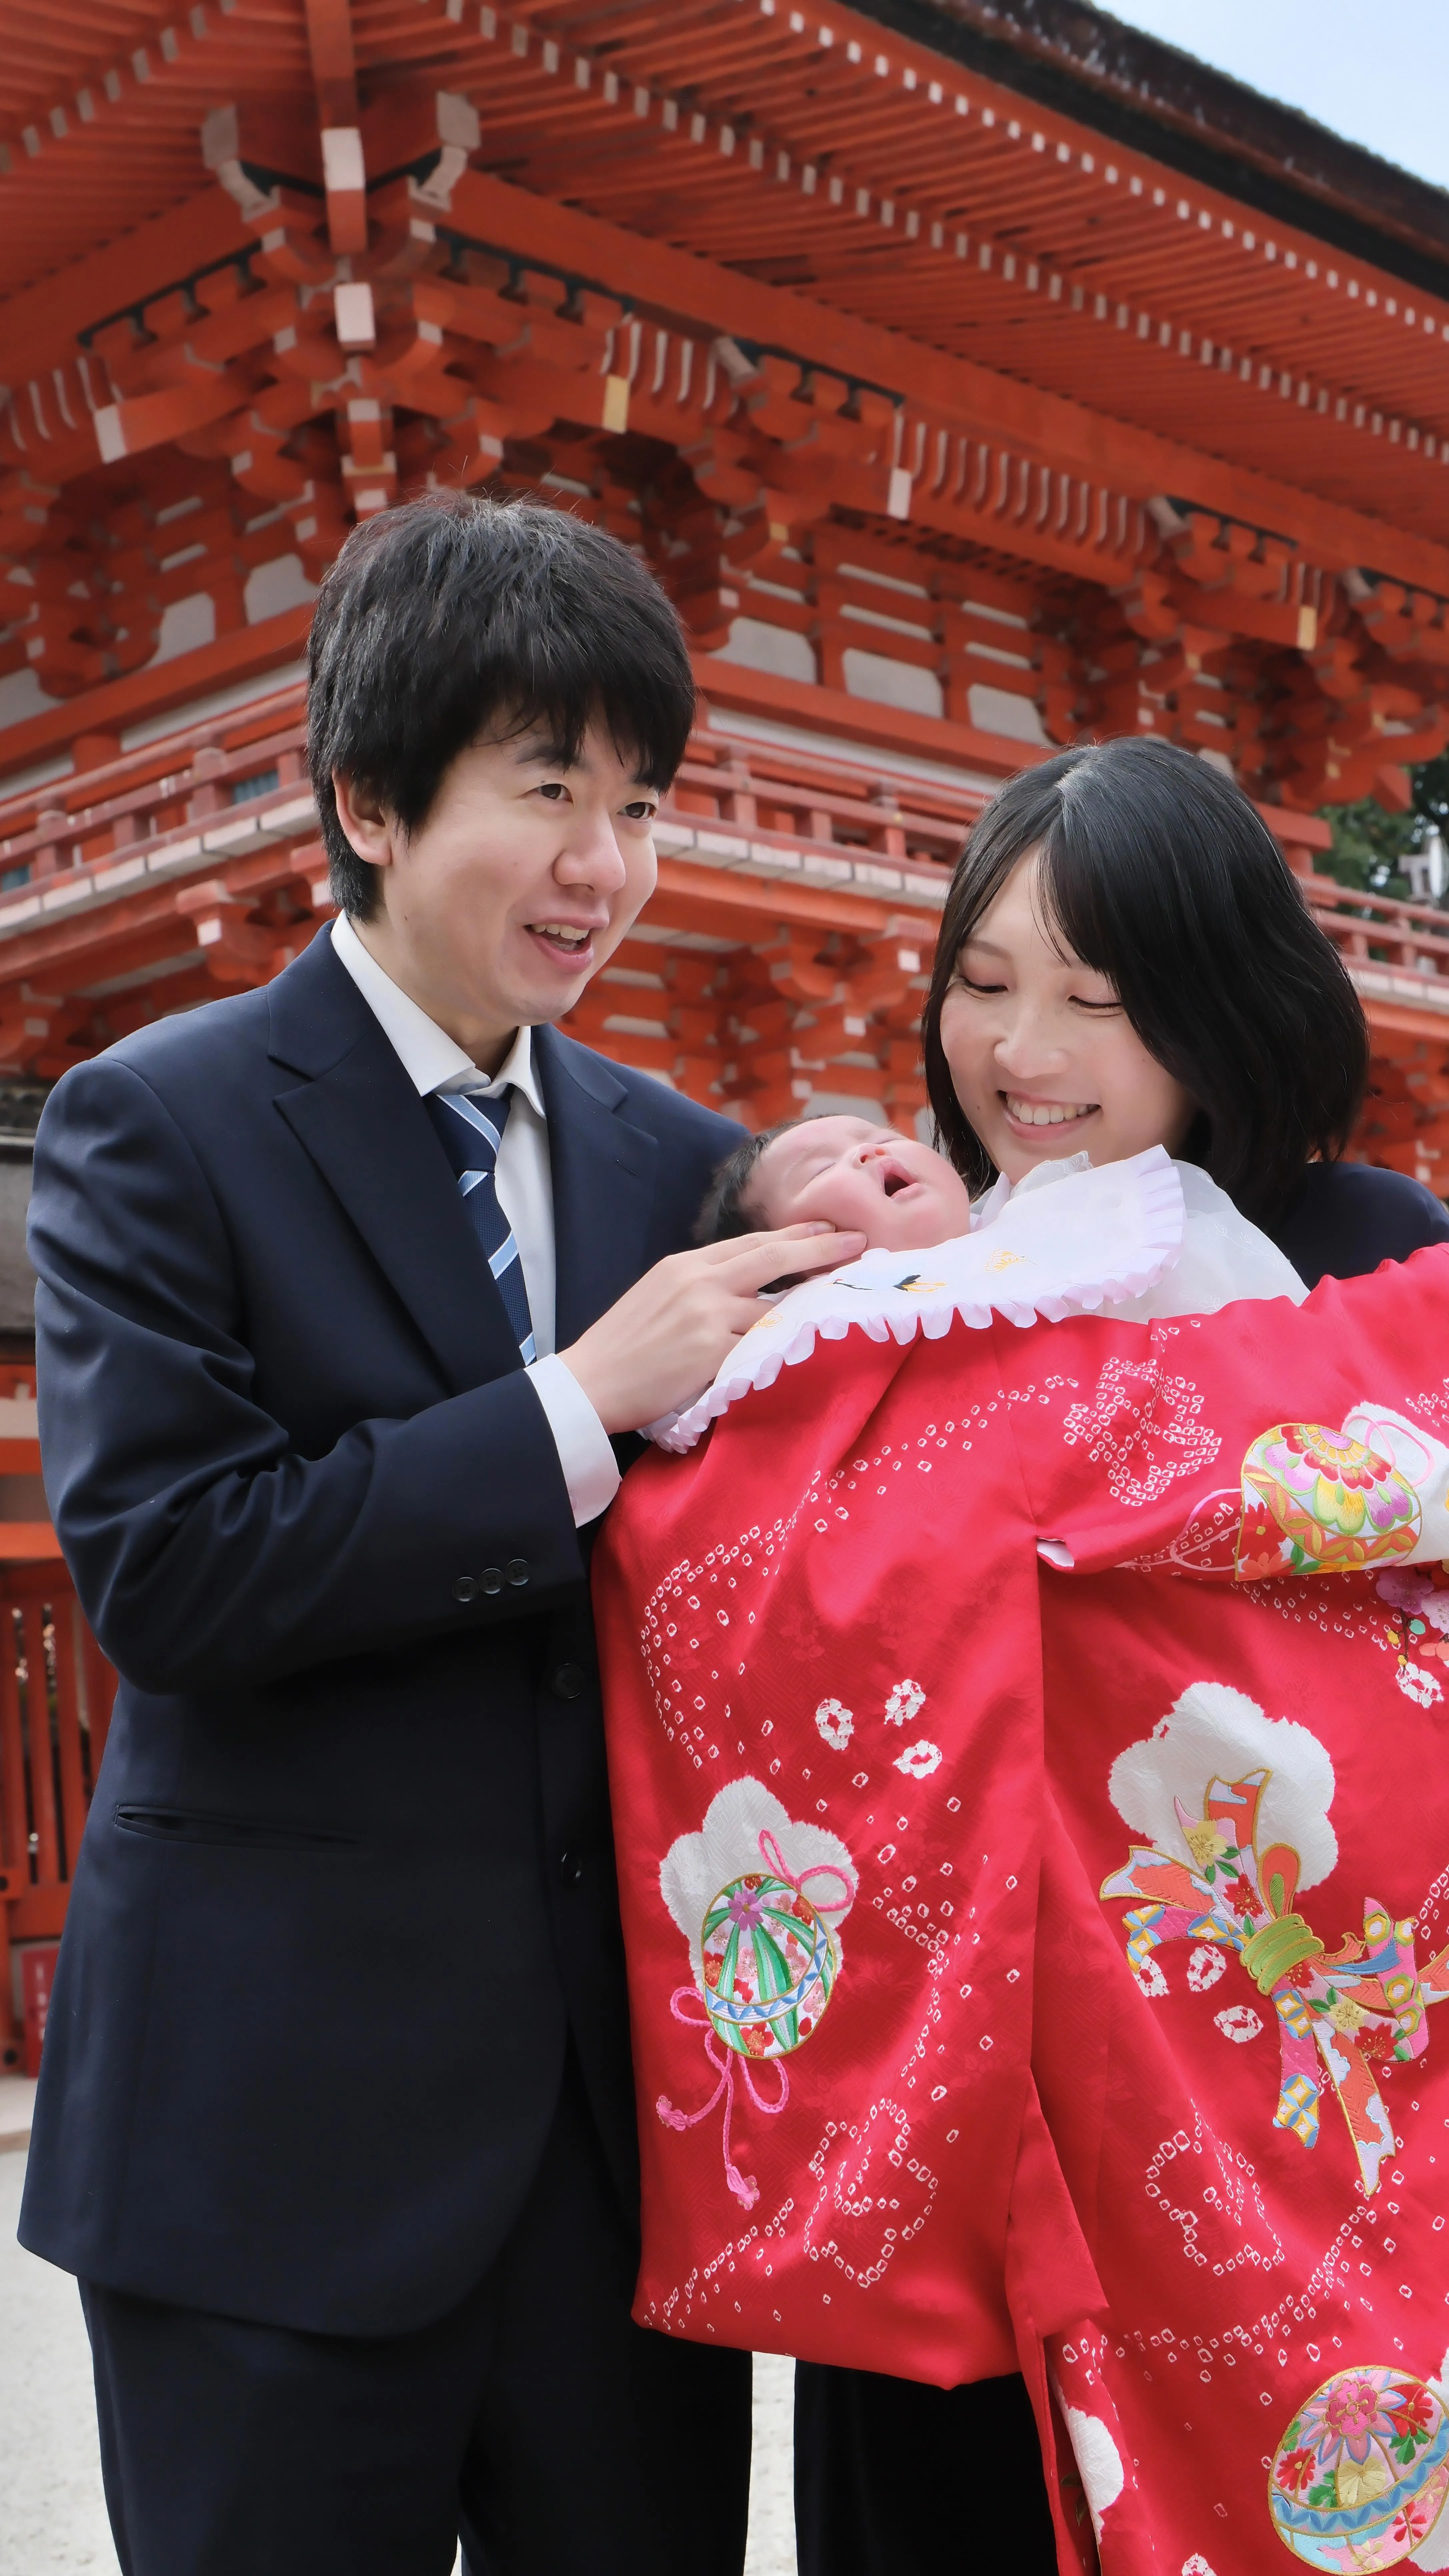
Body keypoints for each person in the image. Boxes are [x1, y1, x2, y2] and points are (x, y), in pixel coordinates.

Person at [17, 493, 864, 2576]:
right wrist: (583, 1402)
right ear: (369, 800)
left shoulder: (681, 1159)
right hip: (274, 2151)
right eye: (548, 784)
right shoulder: (161, 1118)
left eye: (643, 800)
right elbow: (177, 1571)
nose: (610, 865)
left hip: (617, 2167)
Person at [788, 734, 1449, 2576]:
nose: (1020, 1055)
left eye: (1092, 997)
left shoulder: (1374, 1260)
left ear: (1217, 1003)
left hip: (1283, 2084)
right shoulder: (908, 1279)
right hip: (972, 2093)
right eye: (981, 987)